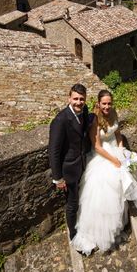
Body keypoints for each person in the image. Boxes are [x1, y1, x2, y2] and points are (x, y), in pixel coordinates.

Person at [70, 89, 137, 255]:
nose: (107, 106)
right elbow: (97, 146)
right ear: (98, 104)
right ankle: (99, 231)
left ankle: (120, 220)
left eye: (109, 103)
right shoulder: (94, 120)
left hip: (115, 150)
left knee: (123, 182)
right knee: (107, 188)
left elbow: (118, 135)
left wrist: (122, 152)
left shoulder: (113, 113)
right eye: (104, 103)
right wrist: (115, 160)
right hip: (102, 155)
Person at [49, 83, 90, 241]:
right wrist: (58, 178)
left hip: (83, 164)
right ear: (69, 98)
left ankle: (83, 223)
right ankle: (73, 235)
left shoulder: (84, 111)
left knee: (83, 198)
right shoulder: (60, 120)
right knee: (72, 204)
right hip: (69, 170)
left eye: (82, 99)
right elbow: (54, 151)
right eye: (75, 99)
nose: (78, 102)